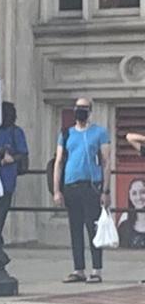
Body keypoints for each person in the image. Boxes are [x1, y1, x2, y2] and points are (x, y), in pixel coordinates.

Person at [53, 96, 112, 283]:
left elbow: (105, 161)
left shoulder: (99, 133)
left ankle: (96, 269)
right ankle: (78, 269)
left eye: (84, 108)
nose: (80, 111)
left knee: (93, 228)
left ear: (90, 111)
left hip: (91, 186)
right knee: (75, 228)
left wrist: (105, 190)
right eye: (78, 107)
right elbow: (59, 162)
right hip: (71, 185)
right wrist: (57, 190)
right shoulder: (66, 134)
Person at [0, 101, 29, 239]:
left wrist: (11, 158)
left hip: (7, 175)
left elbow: (23, 153)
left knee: (1, 209)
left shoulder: (15, 132)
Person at [116, 176, 145, 249]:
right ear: (130, 197)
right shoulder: (124, 227)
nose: (139, 197)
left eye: (142, 192)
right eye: (134, 193)